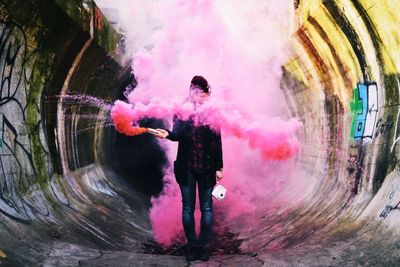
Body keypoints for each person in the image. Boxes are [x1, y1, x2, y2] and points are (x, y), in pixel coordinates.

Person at [151, 76, 223, 261]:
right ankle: (192, 246)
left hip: (207, 167)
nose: (206, 98)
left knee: (207, 208)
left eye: (207, 95)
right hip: (187, 167)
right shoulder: (181, 110)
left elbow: (217, 141)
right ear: (194, 93)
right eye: (204, 94)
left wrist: (219, 167)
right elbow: (176, 135)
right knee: (188, 207)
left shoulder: (212, 112)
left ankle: (202, 246)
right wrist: (166, 134)